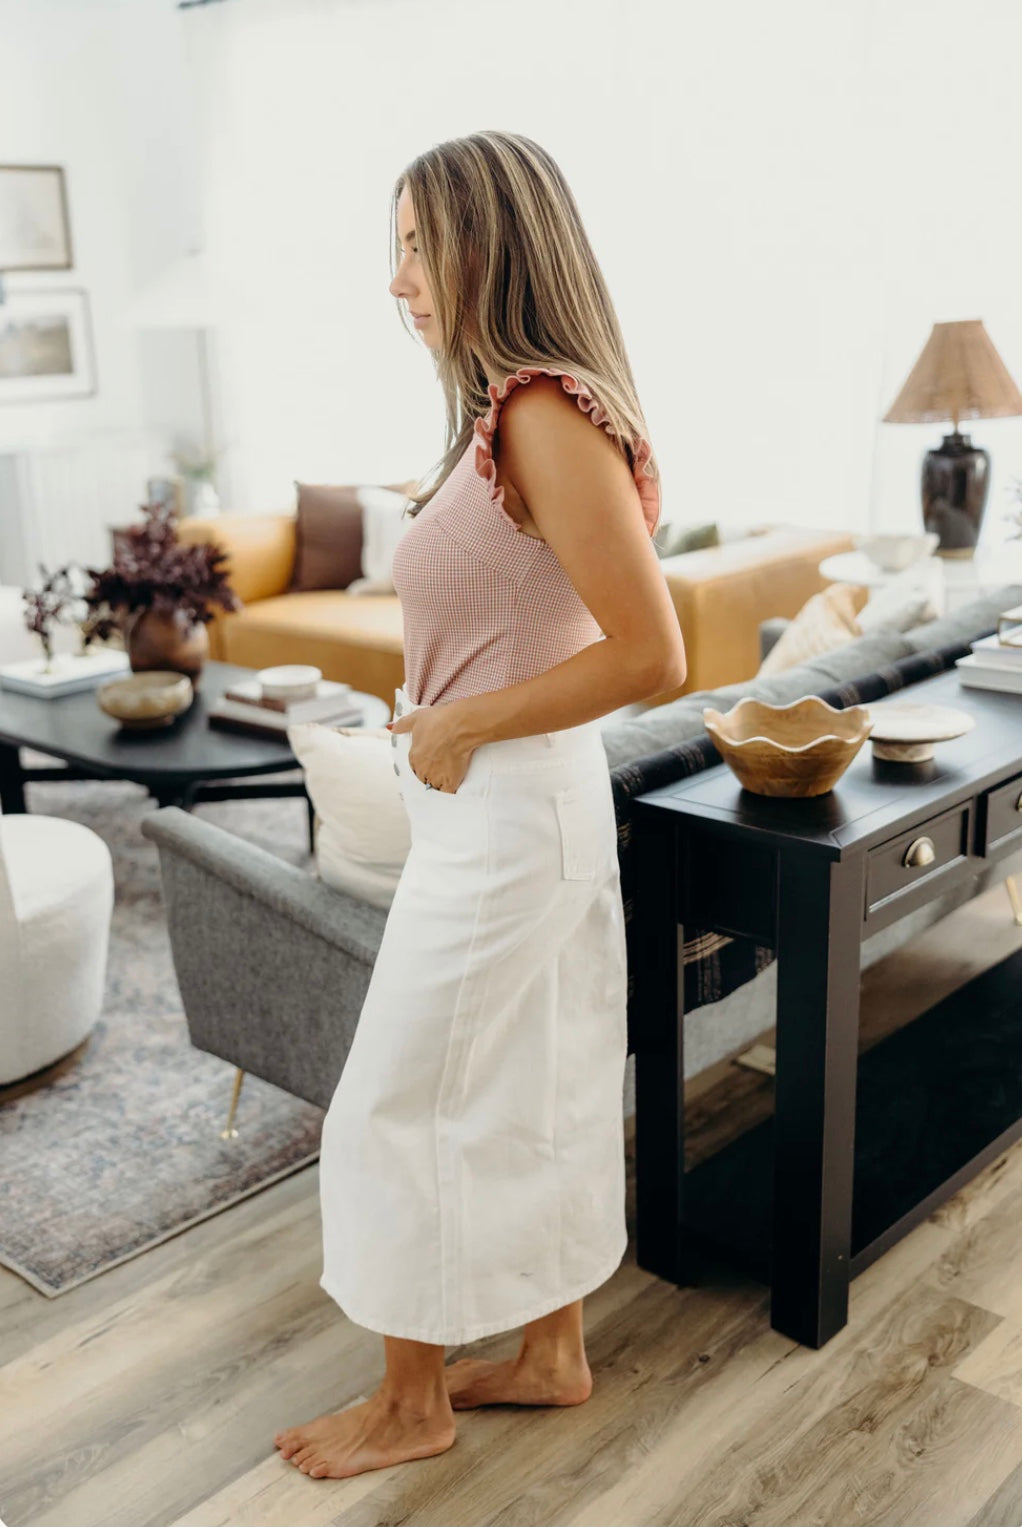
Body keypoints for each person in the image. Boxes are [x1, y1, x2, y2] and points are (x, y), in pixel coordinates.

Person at [274, 129, 686, 1482]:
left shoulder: (539, 410)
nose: (395, 277)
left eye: (414, 242)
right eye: (387, 246)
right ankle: (551, 1350)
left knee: (395, 1101)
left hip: (511, 807)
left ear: (487, 240)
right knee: (534, 1084)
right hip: (512, 810)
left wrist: (453, 722)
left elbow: (650, 654)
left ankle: (408, 1402)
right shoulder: (505, 411)